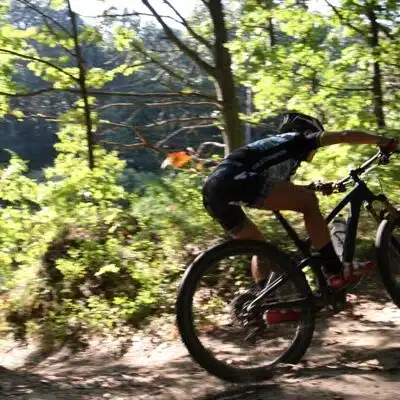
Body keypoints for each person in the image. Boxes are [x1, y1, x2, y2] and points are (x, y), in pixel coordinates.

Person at [202, 112, 397, 292]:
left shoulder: (278, 152)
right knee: (309, 203)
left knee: (259, 246)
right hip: (235, 180)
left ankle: (265, 301)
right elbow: (344, 135)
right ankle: (334, 270)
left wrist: (316, 187)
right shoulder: (298, 139)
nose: (314, 153)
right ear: (309, 131)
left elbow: (280, 190)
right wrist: (383, 141)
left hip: (213, 190)